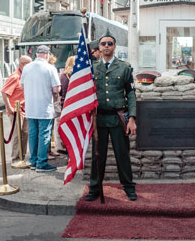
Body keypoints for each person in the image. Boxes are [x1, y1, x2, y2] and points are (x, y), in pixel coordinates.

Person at [86, 30, 138, 202]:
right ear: (99, 48)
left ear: (114, 47)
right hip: (99, 118)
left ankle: (128, 187)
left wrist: (132, 118)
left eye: (110, 43)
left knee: (122, 154)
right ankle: (95, 188)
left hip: (118, 118)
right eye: (103, 43)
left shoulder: (124, 67)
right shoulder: (92, 68)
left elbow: (130, 93)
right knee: (97, 156)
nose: (107, 46)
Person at [20, 45, 61, 172]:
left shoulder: (27, 67)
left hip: (31, 107)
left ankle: (33, 161)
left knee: (33, 135)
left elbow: (21, 86)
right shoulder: (50, 68)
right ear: (47, 54)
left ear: (37, 54)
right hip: (44, 107)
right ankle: (42, 163)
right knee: (44, 135)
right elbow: (56, 89)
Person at [2, 56, 32, 164]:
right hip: (16, 110)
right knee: (16, 134)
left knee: (25, 133)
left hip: (25, 109)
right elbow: (4, 92)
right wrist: (9, 107)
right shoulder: (15, 77)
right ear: (22, 64)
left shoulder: (25, 76)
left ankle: (22, 156)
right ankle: (16, 158)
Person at [54, 55, 76, 154]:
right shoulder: (77, 75)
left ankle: (68, 152)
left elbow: (60, 91)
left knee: (68, 131)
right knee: (75, 131)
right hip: (75, 105)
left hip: (65, 106)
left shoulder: (62, 76)